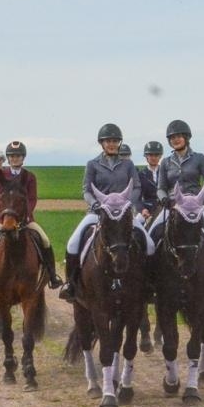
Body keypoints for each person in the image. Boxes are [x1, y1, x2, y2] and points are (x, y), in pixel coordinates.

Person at [61, 124, 154, 300]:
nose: (112, 144)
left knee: (148, 244)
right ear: (102, 143)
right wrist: (95, 203)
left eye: (115, 141)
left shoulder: (128, 164)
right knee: (72, 244)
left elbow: (137, 187)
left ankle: (148, 284)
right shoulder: (93, 164)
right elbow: (86, 190)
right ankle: (71, 284)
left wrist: (126, 202)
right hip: (98, 213)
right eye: (108, 141)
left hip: (123, 214)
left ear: (119, 143)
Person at [151, 120, 204, 288]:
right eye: (172, 137)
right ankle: (150, 274)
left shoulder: (199, 158)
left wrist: (200, 197)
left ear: (187, 138)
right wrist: (164, 199)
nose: (176, 140)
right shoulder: (166, 163)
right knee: (152, 232)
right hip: (174, 205)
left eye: (179, 136)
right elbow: (160, 188)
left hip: (197, 205)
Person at [0, 140, 62, 292]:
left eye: (18, 156)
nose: (15, 159)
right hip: (5, 219)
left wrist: (25, 215)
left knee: (45, 241)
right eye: (12, 156)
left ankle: (53, 276)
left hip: (25, 220)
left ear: (23, 158)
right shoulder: (1, 176)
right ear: (8, 159)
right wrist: (4, 214)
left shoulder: (30, 177)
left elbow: (32, 198)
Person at [137, 140, 163, 221]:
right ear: (146, 156)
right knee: (136, 224)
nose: (154, 157)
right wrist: (142, 210)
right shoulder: (140, 175)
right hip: (148, 209)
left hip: (165, 208)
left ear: (160, 156)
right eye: (151, 155)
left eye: (156, 155)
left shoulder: (166, 173)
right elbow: (137, 198)